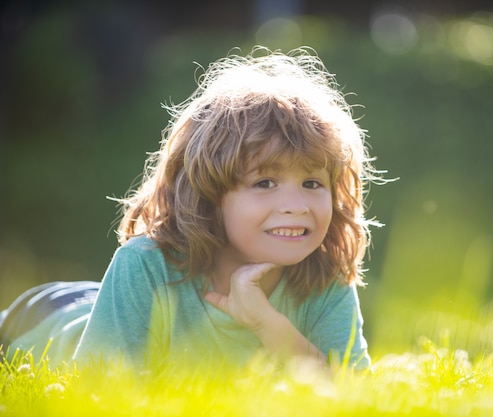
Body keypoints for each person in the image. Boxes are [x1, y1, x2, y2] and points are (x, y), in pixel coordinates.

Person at [0, 47, 384, 371]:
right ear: (209, 194)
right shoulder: (144, 266)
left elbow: (351, 398)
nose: (296, 206)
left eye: (312, 183)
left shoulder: (324, 276)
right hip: (49, 316)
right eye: (264, 183)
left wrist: (266, 322)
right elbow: (98, 395)